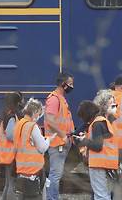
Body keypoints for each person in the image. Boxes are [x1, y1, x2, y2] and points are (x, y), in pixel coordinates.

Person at [77, 90, 119, 200]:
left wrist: (84, 140)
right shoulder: (106, 122)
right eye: (112, 104)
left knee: (101, 196)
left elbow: (97, 146)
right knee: (106, 195)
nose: (114, 107)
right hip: (109, 164)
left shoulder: (97, 123)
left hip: (99, 165)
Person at [45, 72, 75, 200]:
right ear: (63, 84)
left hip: (62, 142)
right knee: (55, 175)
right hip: (58, 143)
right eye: (70, 84)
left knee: (56, 174)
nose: (72, 86)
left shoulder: (61, 99)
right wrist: (63, 135)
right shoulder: (54, 99)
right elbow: (50, 120)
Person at [14, 98, 50, 200]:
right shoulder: (32, 126)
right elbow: (42, 147)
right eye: (38, 113)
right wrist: (48, 140)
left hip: (21, 169)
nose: (39, 116)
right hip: (34, 170)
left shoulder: (19, 124)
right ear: (34, 112)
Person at [0, 92, 24, 200]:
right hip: (11, 154)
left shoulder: (6, 113)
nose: (23, 102)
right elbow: (10, 135)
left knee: (8, 183)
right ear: (17, 102)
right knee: (11, 183)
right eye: (21, 100)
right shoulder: (12, 116)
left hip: (6, 153)